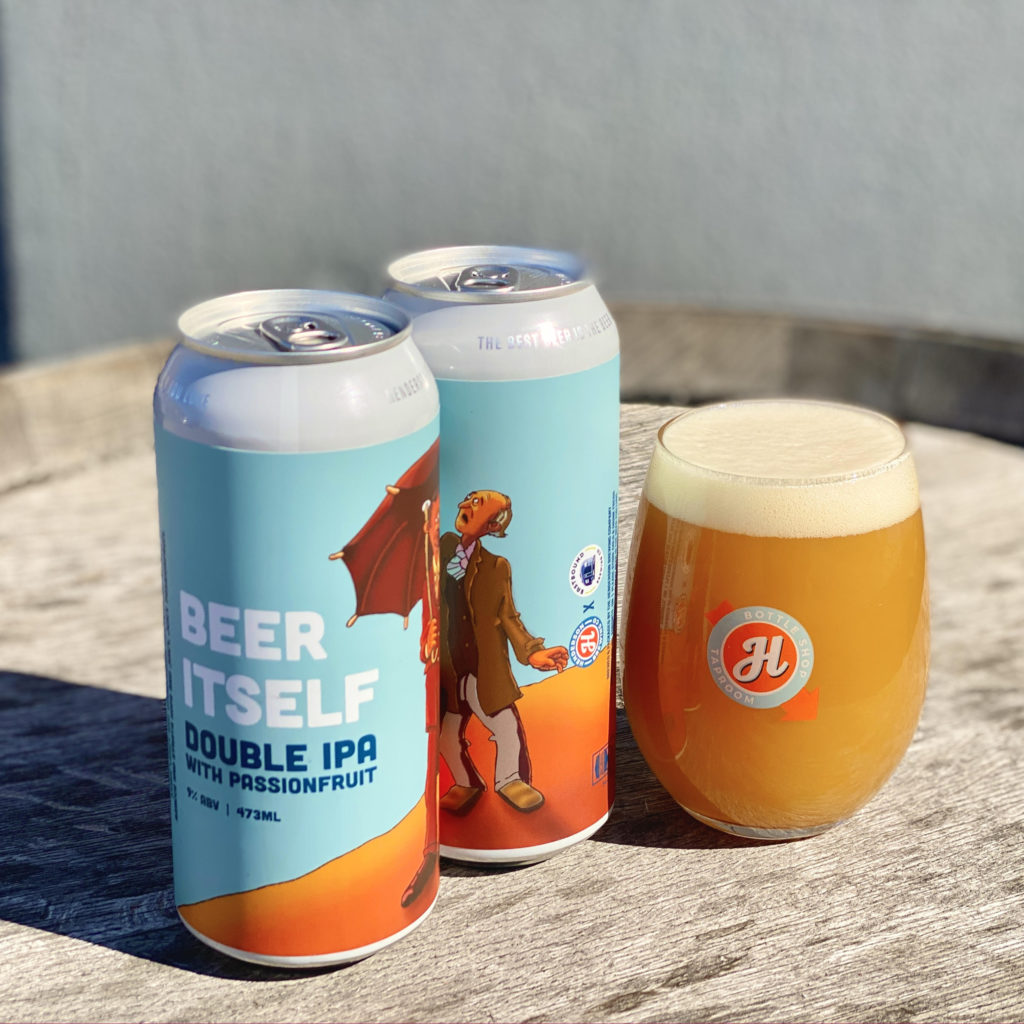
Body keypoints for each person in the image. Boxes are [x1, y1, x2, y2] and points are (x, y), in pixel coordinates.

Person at [438, 490, 568, 815]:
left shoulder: (496, 568)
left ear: (493, 525)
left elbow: (509, 617)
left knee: (506, 727)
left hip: (484, 667)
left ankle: (510, 780)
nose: (464, 505)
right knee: (446, 734)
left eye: (477, 504)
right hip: (448, 667)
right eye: (468, 498)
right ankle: (466, 783)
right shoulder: (441, 548)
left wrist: (532, 653)